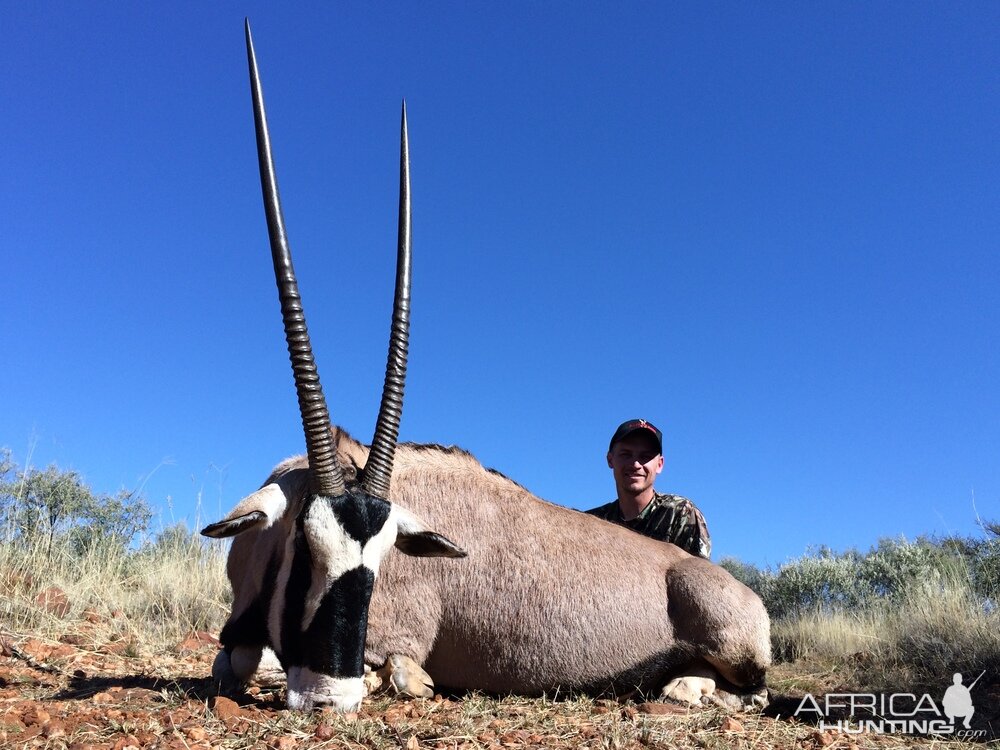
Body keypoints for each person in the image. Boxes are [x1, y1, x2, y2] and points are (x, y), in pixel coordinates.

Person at [586, 419, 711, 559]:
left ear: (659, 464)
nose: (635, 464)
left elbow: (699, 574)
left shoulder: (680, 513)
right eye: (626, 454)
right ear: (610, 460)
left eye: (645, 457)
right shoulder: (592, 522)